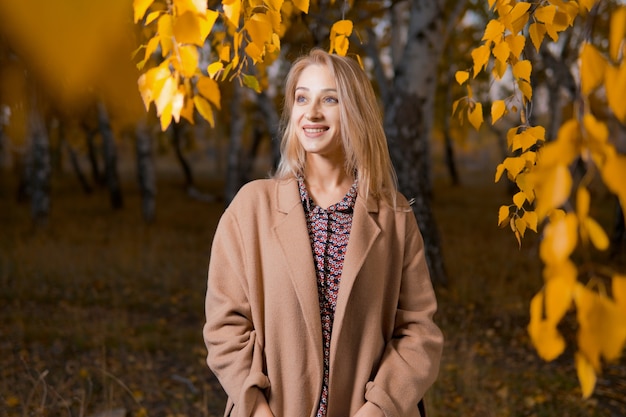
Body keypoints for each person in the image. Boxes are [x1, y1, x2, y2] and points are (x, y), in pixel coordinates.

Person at [203, 48, 443, 417]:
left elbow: (418, 331)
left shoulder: (394, 214)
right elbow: (224, 326)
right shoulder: (251, 207)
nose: (312, 112)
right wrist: (256, 408)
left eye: (329, 99)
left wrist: (380, 408)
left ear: (354, 111)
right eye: (302, 98)